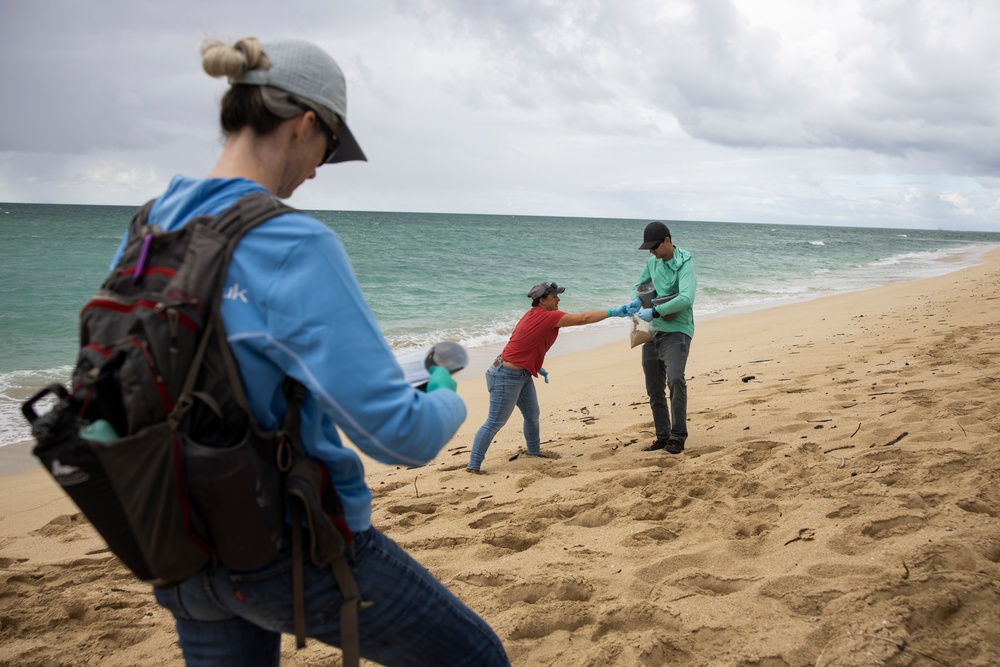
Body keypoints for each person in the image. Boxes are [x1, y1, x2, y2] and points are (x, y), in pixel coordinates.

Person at [110, 36, 509, 666]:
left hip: (172, 539)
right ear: (303, 125)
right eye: (329, 147)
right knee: (478, 658)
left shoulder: (148, 227)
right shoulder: (291, 242)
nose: (320, 169)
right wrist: (444, 391)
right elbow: (399, 436)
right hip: (285, 543)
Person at [466, 282, 633, 472]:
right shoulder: (549, 316)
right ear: (542, 300)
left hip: (521, 372)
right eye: (554, 297)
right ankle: (473, 466)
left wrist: (535, 365)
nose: (558, 299)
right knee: (494, 422)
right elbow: (583, 319)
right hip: (506, 376)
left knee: (532, 415)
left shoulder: (533, 315)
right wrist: (614, 312)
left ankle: (534, 452)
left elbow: (524, 342)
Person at [631, 222, 697, 455]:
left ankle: (678, 436)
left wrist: (657, 311)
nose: (651, 252)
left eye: (654, 247)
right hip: (652, 330)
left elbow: (687, 298)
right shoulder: (652, 262)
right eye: (648, 248)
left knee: (676, 379)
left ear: (667, 241)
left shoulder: (684, 264)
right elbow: (639, 287)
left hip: (677, 330)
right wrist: (636, 302)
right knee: (654, 387)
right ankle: (663, 436)